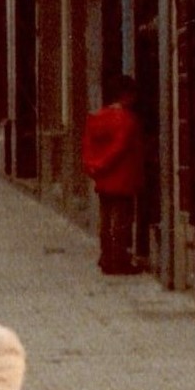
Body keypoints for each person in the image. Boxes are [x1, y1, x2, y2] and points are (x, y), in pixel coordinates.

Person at [79, 77, 148, 276]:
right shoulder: (127, 119)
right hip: (123, 177)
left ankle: (106, 257)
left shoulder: (97, 117)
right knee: (120, 223)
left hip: (103, 178)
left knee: (106, 219)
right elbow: (120, 147)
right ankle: (118, 261)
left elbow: (88, 143)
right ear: (127, 96)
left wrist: (93, 166)